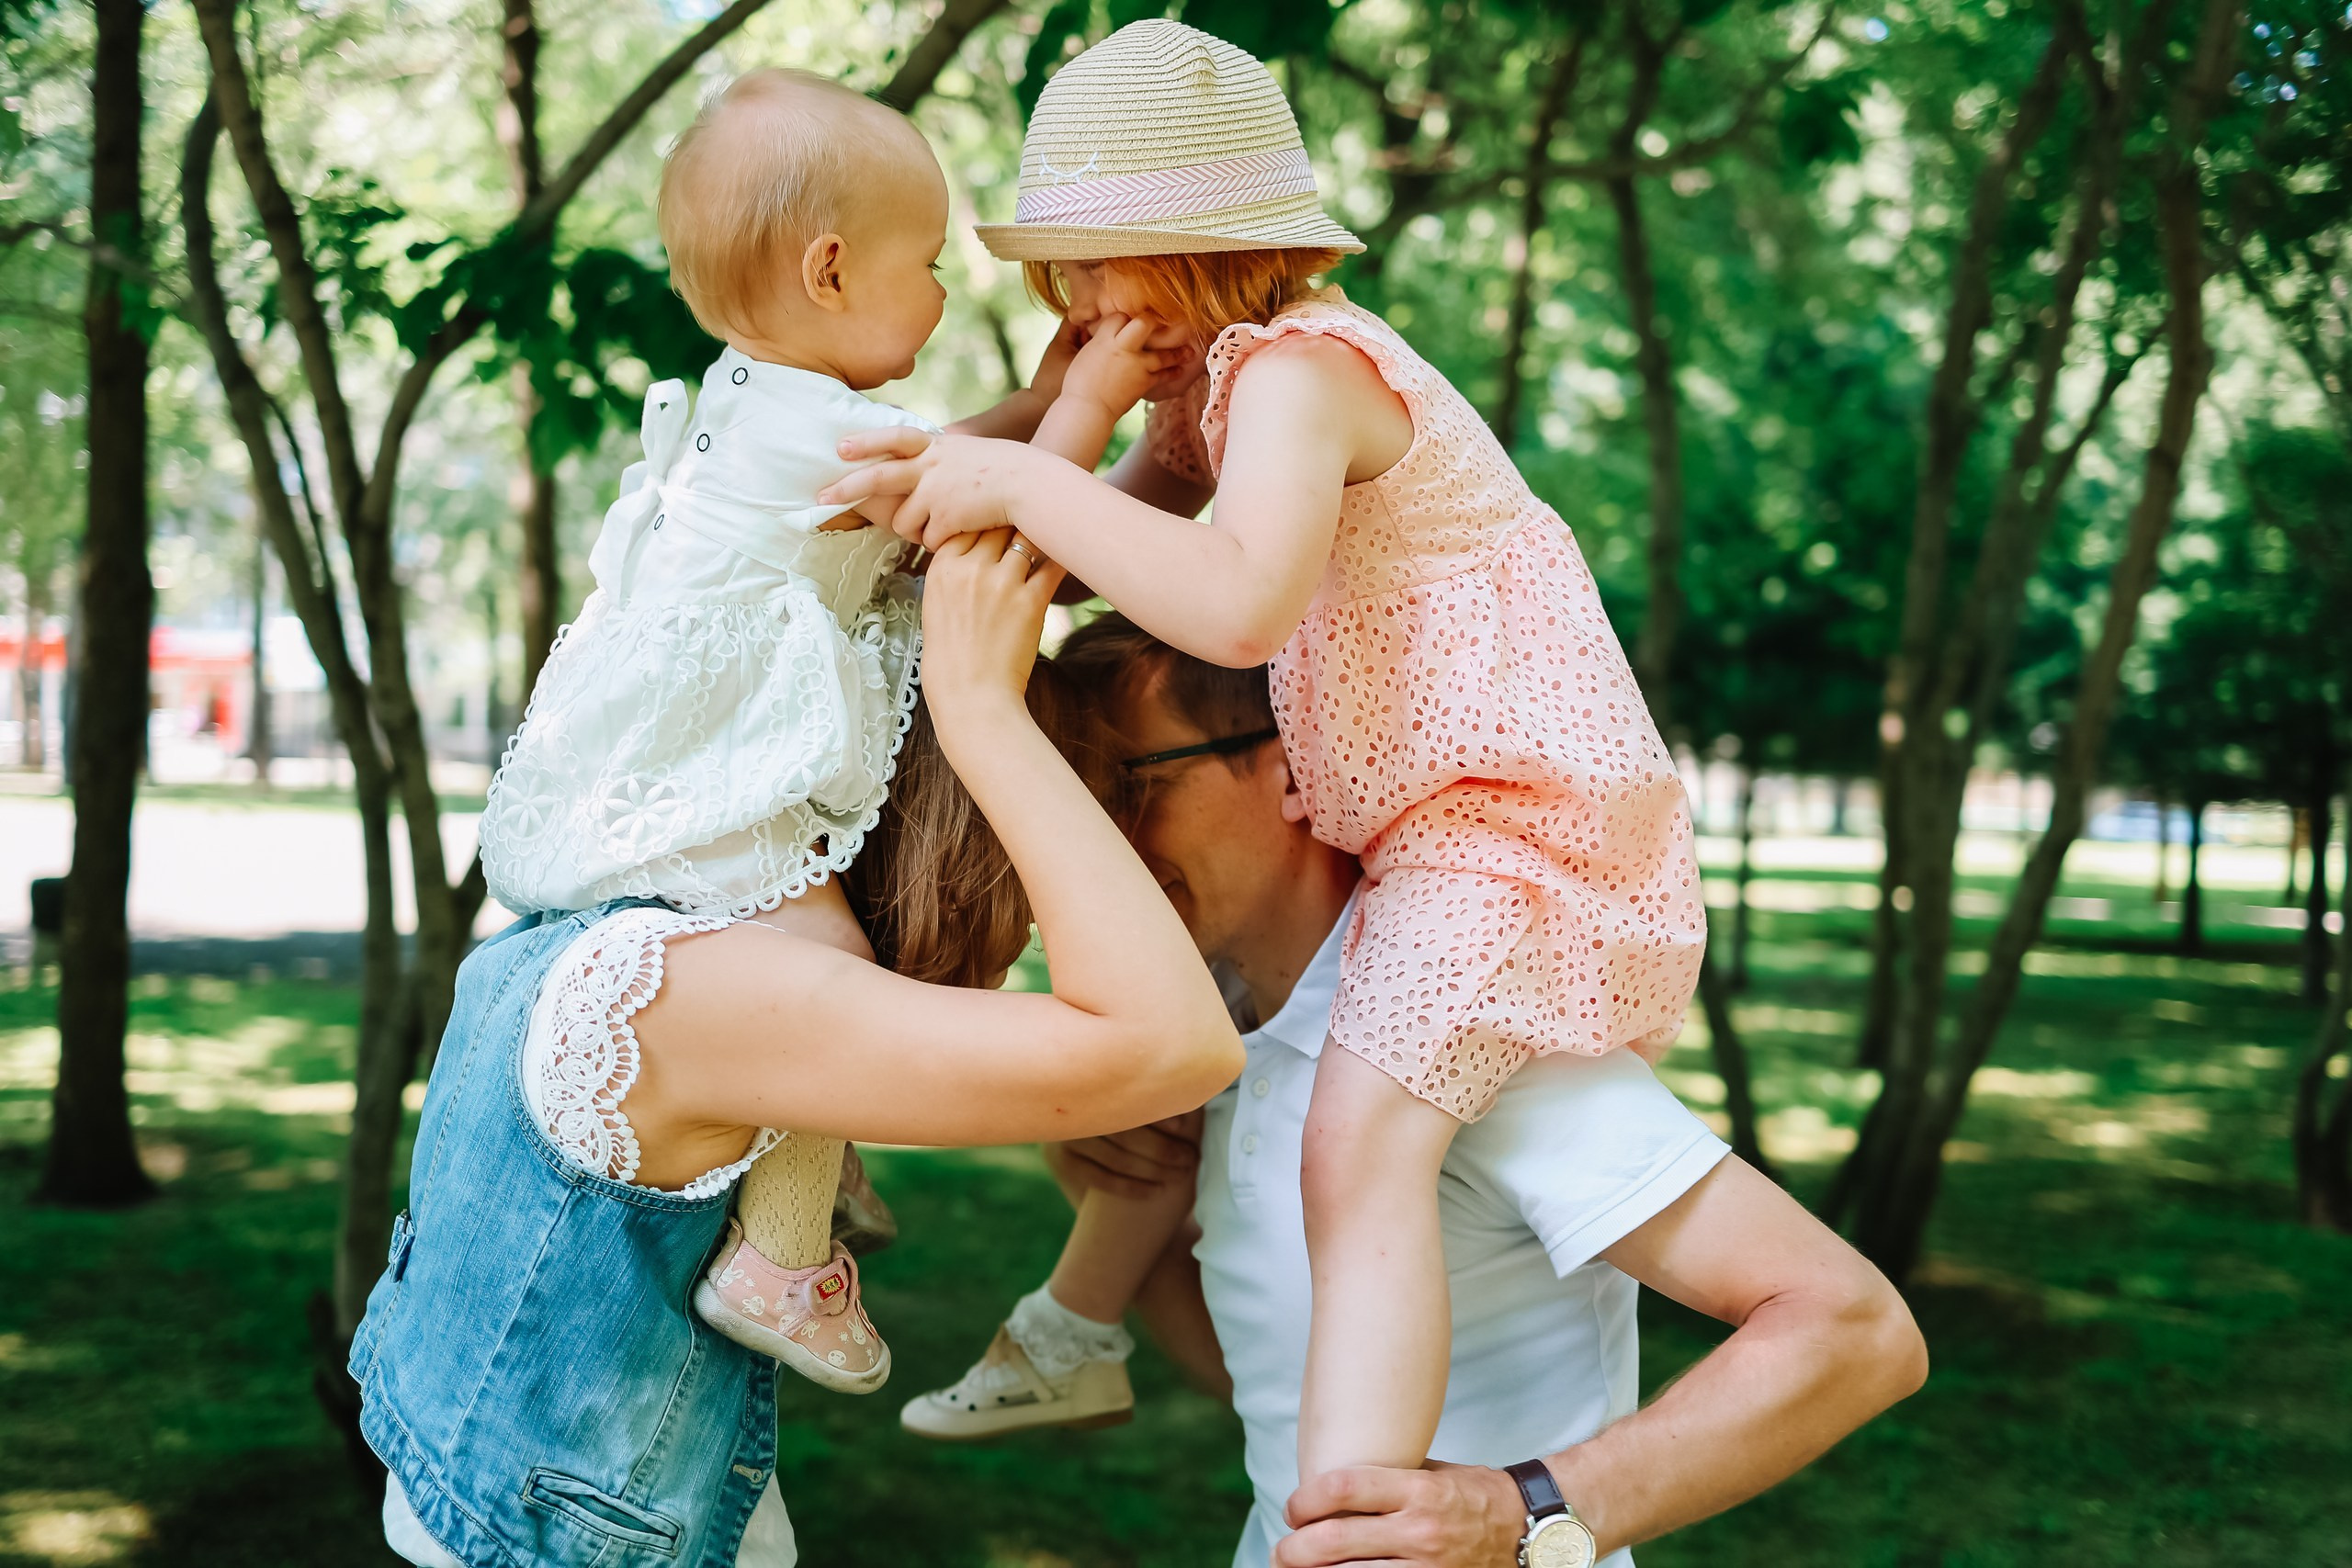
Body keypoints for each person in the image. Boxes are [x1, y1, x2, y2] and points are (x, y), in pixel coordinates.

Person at [832, 19, 1709, 1487]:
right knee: (1274, 1110)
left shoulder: (1303, 371)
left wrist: (1007, 469)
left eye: (1109, 261)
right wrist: (1049, 421)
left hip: (1507, 823)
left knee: (1357, 1145)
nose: (1088, 296)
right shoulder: (1213, 396)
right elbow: (1063, 549)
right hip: (1427, 822)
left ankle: (1348, 1510)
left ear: (1211, 249)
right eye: (1069, 271)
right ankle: (1090, 1331)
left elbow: (1235, 599)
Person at [917, 614, 1928, 1566]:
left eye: (1128, 788)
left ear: (1298, 766)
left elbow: (1850, 1327)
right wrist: (1106, 1195)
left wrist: (1523, 1510)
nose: (1093, 844)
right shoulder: (1219, 1038)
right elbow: (1266, 1390)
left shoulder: (1461, 1034)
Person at [471, 68, 1173, 1392]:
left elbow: (951, 457)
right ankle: (782, 1255)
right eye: (926, 262)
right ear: (833, 268)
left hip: (669, 750)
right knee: (825, 972)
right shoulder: (818, 428)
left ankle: (800, 1180)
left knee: (812, 973)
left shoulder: (767, 396)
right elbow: (986, 505)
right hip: (718, 778)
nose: (945, 289)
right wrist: (1091, 404)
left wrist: (1046, 397)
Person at [354, 537, 1242, 1567]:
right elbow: (1173, 1044)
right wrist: (986, 712)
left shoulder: (628, 924)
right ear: (945, 829)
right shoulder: (710, 996)